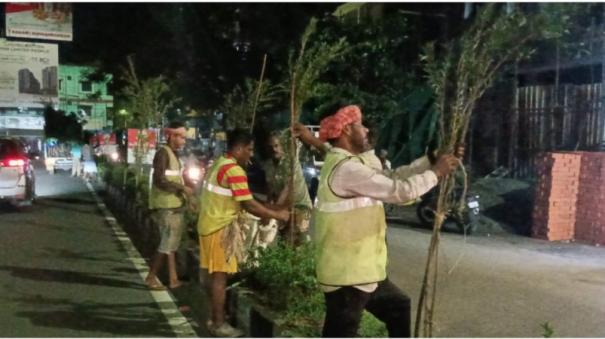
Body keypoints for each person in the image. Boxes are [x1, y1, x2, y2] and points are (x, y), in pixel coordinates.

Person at [308, 105, 461, 337]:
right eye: (360, 125)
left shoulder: (353, 165)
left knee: (398, 307)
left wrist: (429, 160)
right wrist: (436, 173)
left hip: (363, 272)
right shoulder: (347, 170)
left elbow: (391, 178)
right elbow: (400, 191)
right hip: (348, 275)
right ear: (347, 130)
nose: (366, 129)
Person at [197, 128, 290, 337]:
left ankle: (213, 317)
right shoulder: (234, 171)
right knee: (220, 278)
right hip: (220, 228)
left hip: (208, 226)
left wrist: (269, 210)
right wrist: (278, 215)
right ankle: (219, 324)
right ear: (238, 148)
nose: (251, 154)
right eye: (249, 149)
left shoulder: (218, 164)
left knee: (212, 277)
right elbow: (249, 204)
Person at [145, 121, 193, 291]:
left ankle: (173, 279)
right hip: (166, 206)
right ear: (172, 136)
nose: (184, 141)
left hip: (174, 205)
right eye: (182, 137)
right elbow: (159, 180)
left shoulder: (172, 154)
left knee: (170, 245)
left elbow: (174, 178)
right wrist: (182, 188)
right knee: (166, 244)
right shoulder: (163, 154)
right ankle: (151, 277)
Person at [261, 130, 313, 245]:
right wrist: (267, 209)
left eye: (276, 146)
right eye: (271, 147)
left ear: (282, 146)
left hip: (300, 206)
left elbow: (288, 190)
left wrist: (272, 210)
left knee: (297, 243)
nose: (274, 149)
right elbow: (269, 191)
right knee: (283, 242)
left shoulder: (290, 162)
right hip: (283, 208)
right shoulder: (268, 166)